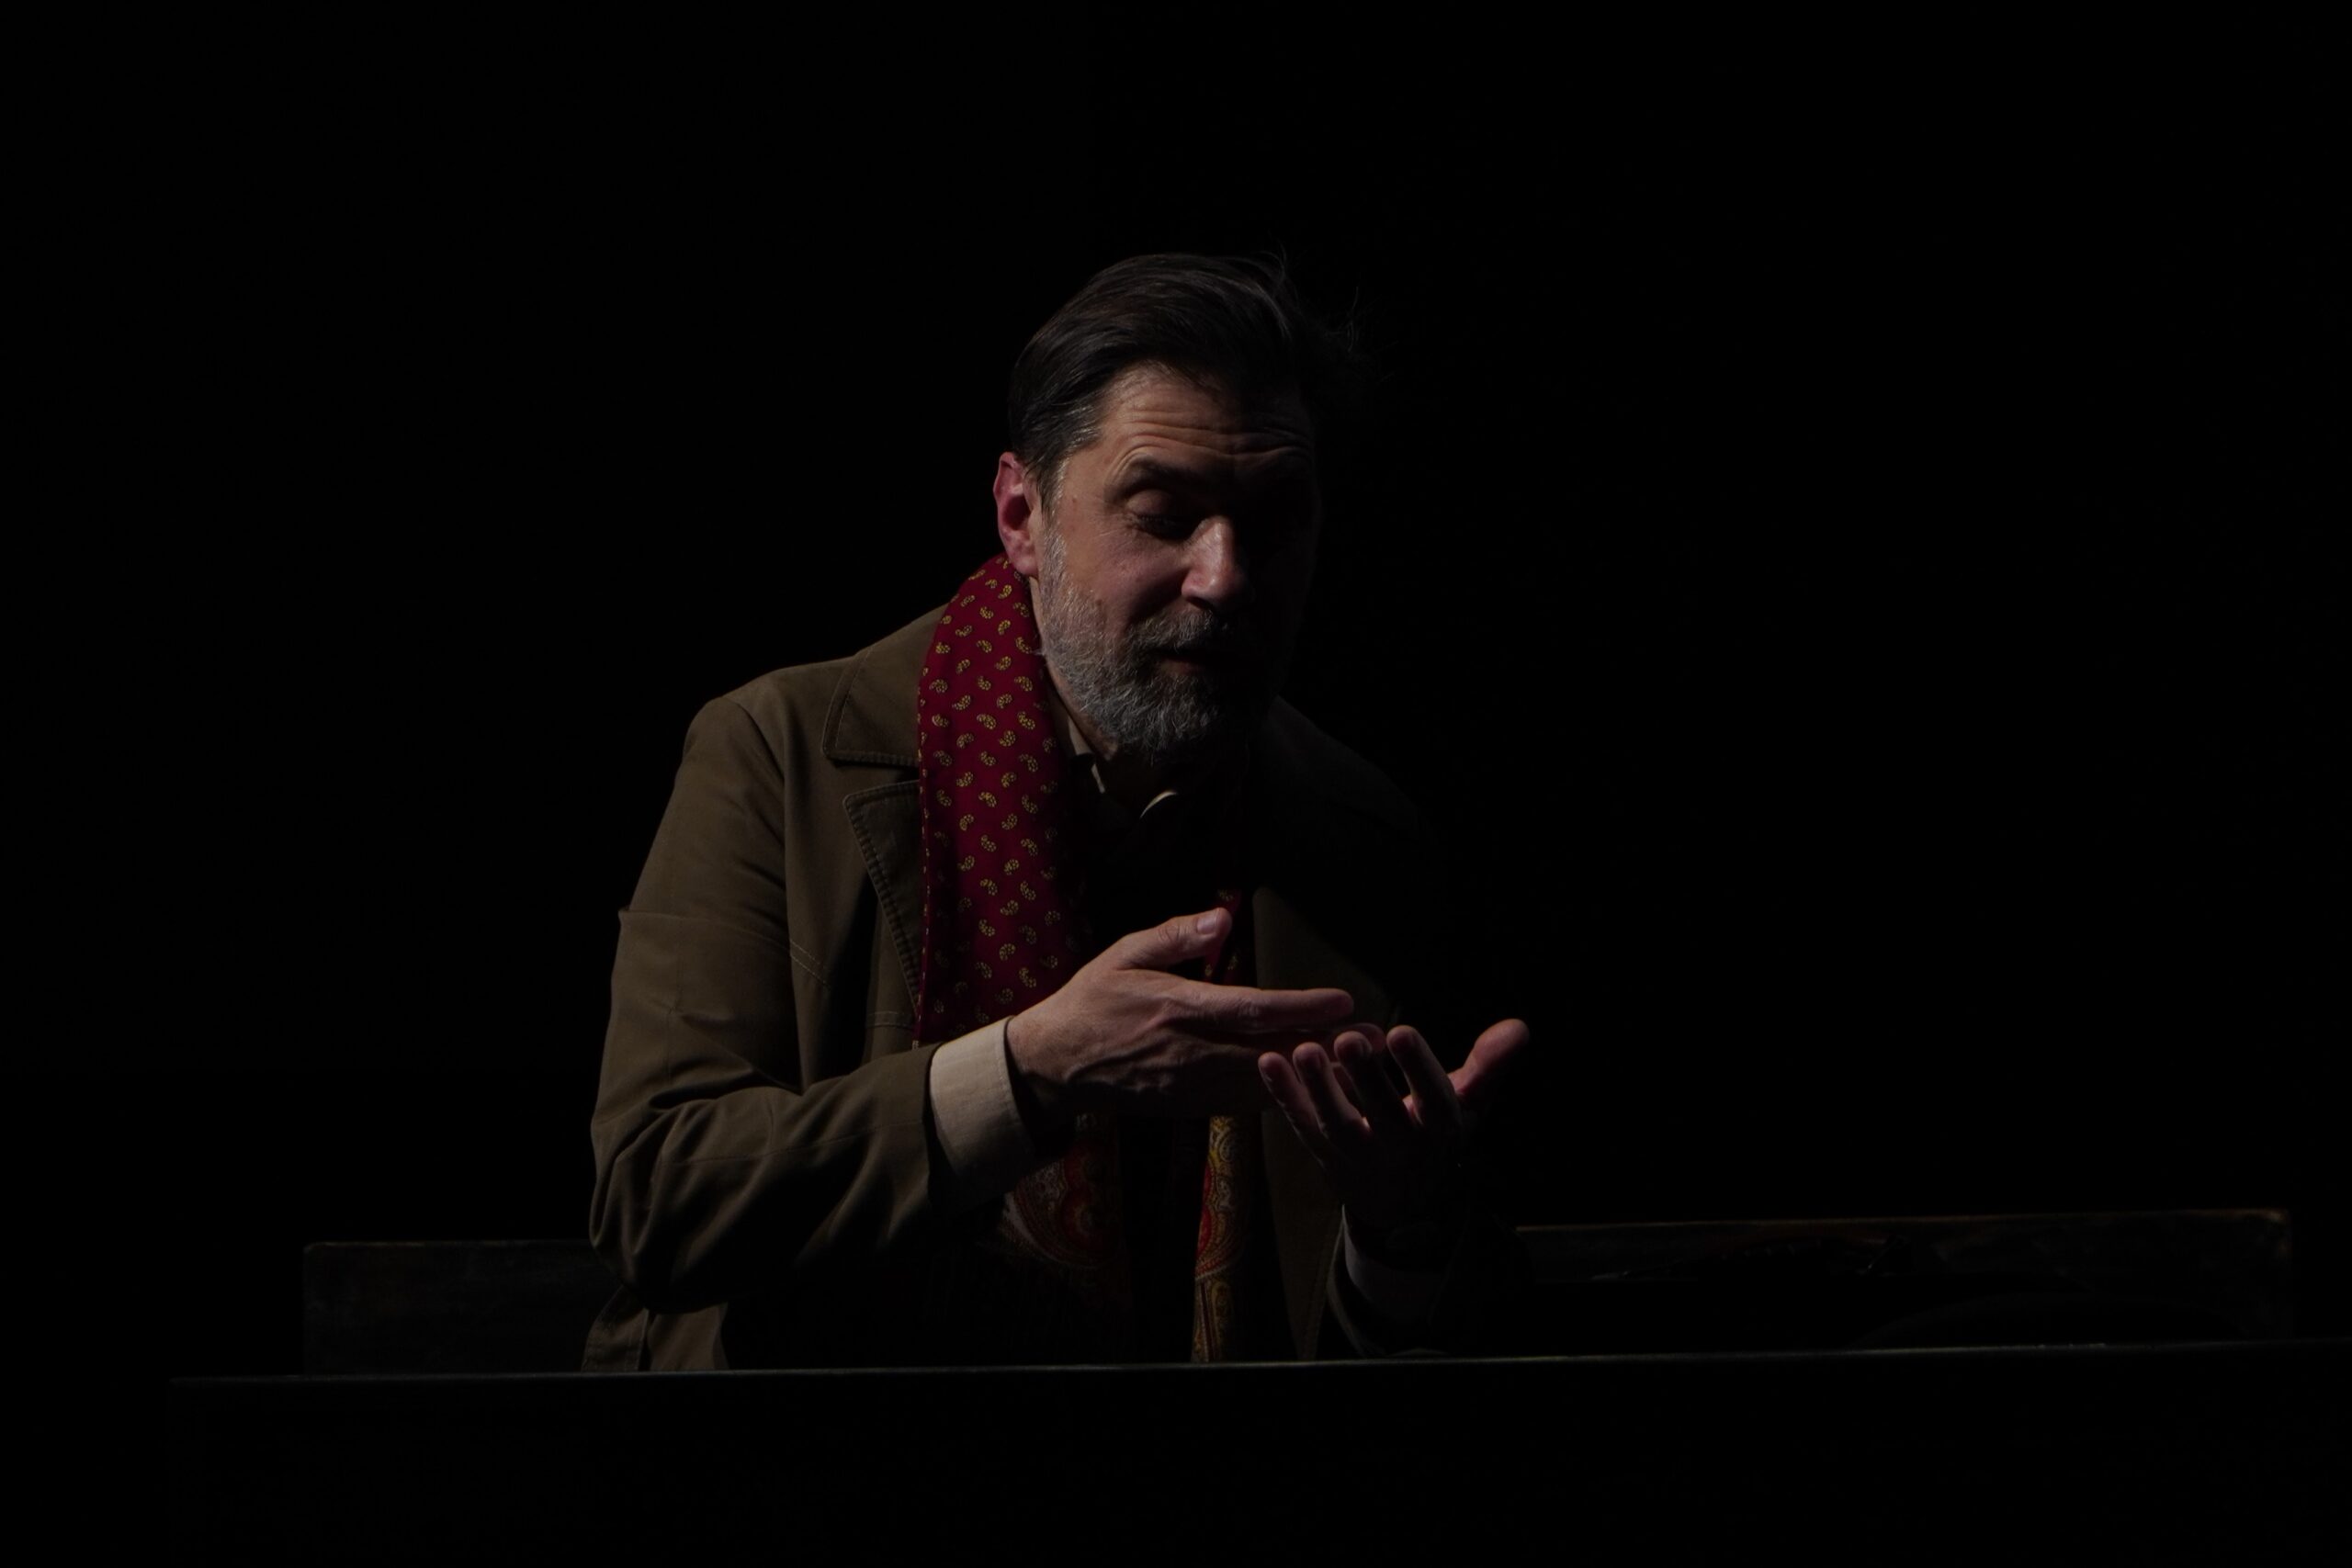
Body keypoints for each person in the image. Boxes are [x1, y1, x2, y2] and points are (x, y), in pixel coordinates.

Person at [586, 254, 1532, 1370]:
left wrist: (1398, 1236)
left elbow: (1423, 1338)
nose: (1224, 575)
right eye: (1163, 516)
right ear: (1021, 516)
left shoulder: (1364, 837)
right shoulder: (777, 754)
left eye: (1275, 518)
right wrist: (1030, 1069)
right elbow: (658, 1196)